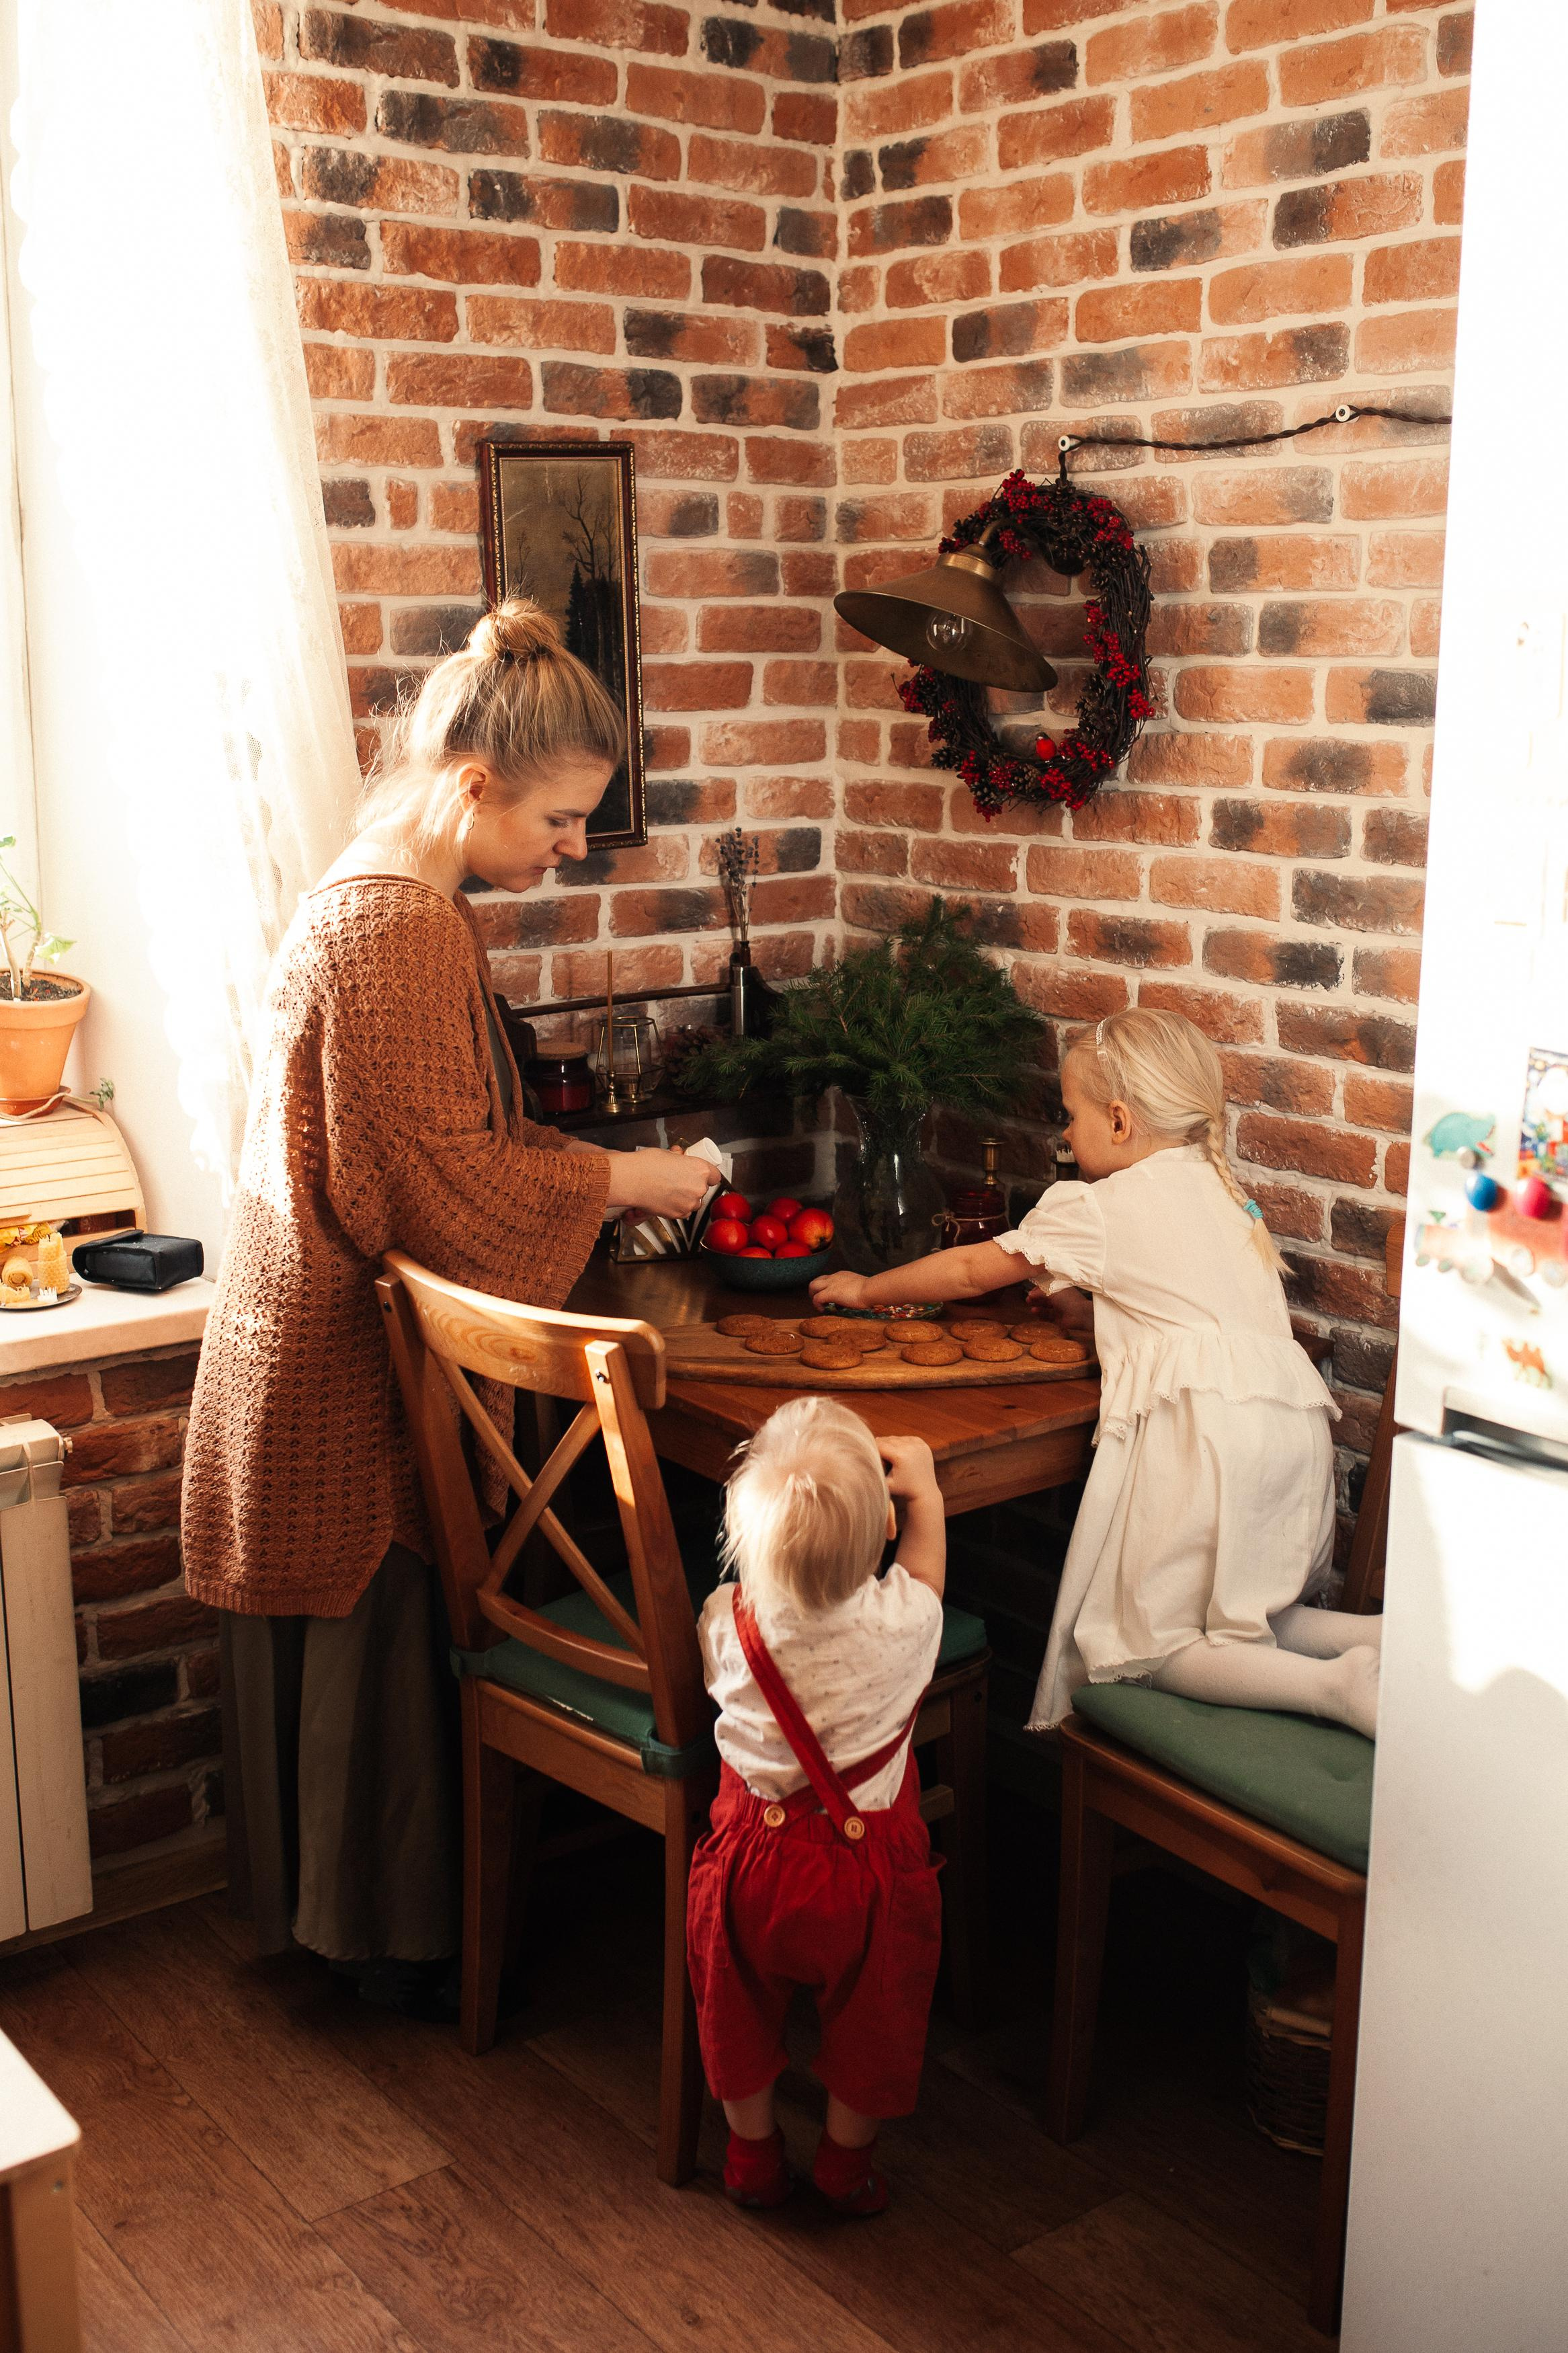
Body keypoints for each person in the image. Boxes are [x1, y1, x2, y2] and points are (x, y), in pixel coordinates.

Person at [182, 598, 719, 2005]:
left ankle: (360, 1927)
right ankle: (387, 1939)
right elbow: (437, 1190)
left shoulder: (369, 887)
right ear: (472, 784)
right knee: (389, 1604)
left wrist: (597, 1172)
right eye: (554, 823)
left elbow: (432, 1144)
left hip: (288, 1330)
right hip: (334, 1367)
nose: (563, 852)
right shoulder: (405, 930)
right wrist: (619, 1180)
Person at [812, 1006, 1380, 1742]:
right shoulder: (1222, 1192)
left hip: (1204, 1442)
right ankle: (1372, 1642)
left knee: (1146, 1646)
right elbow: (1179, 1309)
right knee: (1251, 1612)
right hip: (1290, 1428)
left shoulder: (1100, 1205)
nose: (1063, 1135)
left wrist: (865, 1288)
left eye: (1068, 1115)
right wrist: (1090, 1315)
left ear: (1118, 1122)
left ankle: (1334, 1686)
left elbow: (965, 1267)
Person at [687, 1398, 947, 2214]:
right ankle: (844, 2166)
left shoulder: (724, 1622)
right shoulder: (908, 1622)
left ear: (743, 1541)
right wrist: (926, 1493)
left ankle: (751, 2156)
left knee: (734, 2009)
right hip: (866, 1880)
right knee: (873, 2022)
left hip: (745, 1868)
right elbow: (926, 1569)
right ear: (878, 1538)